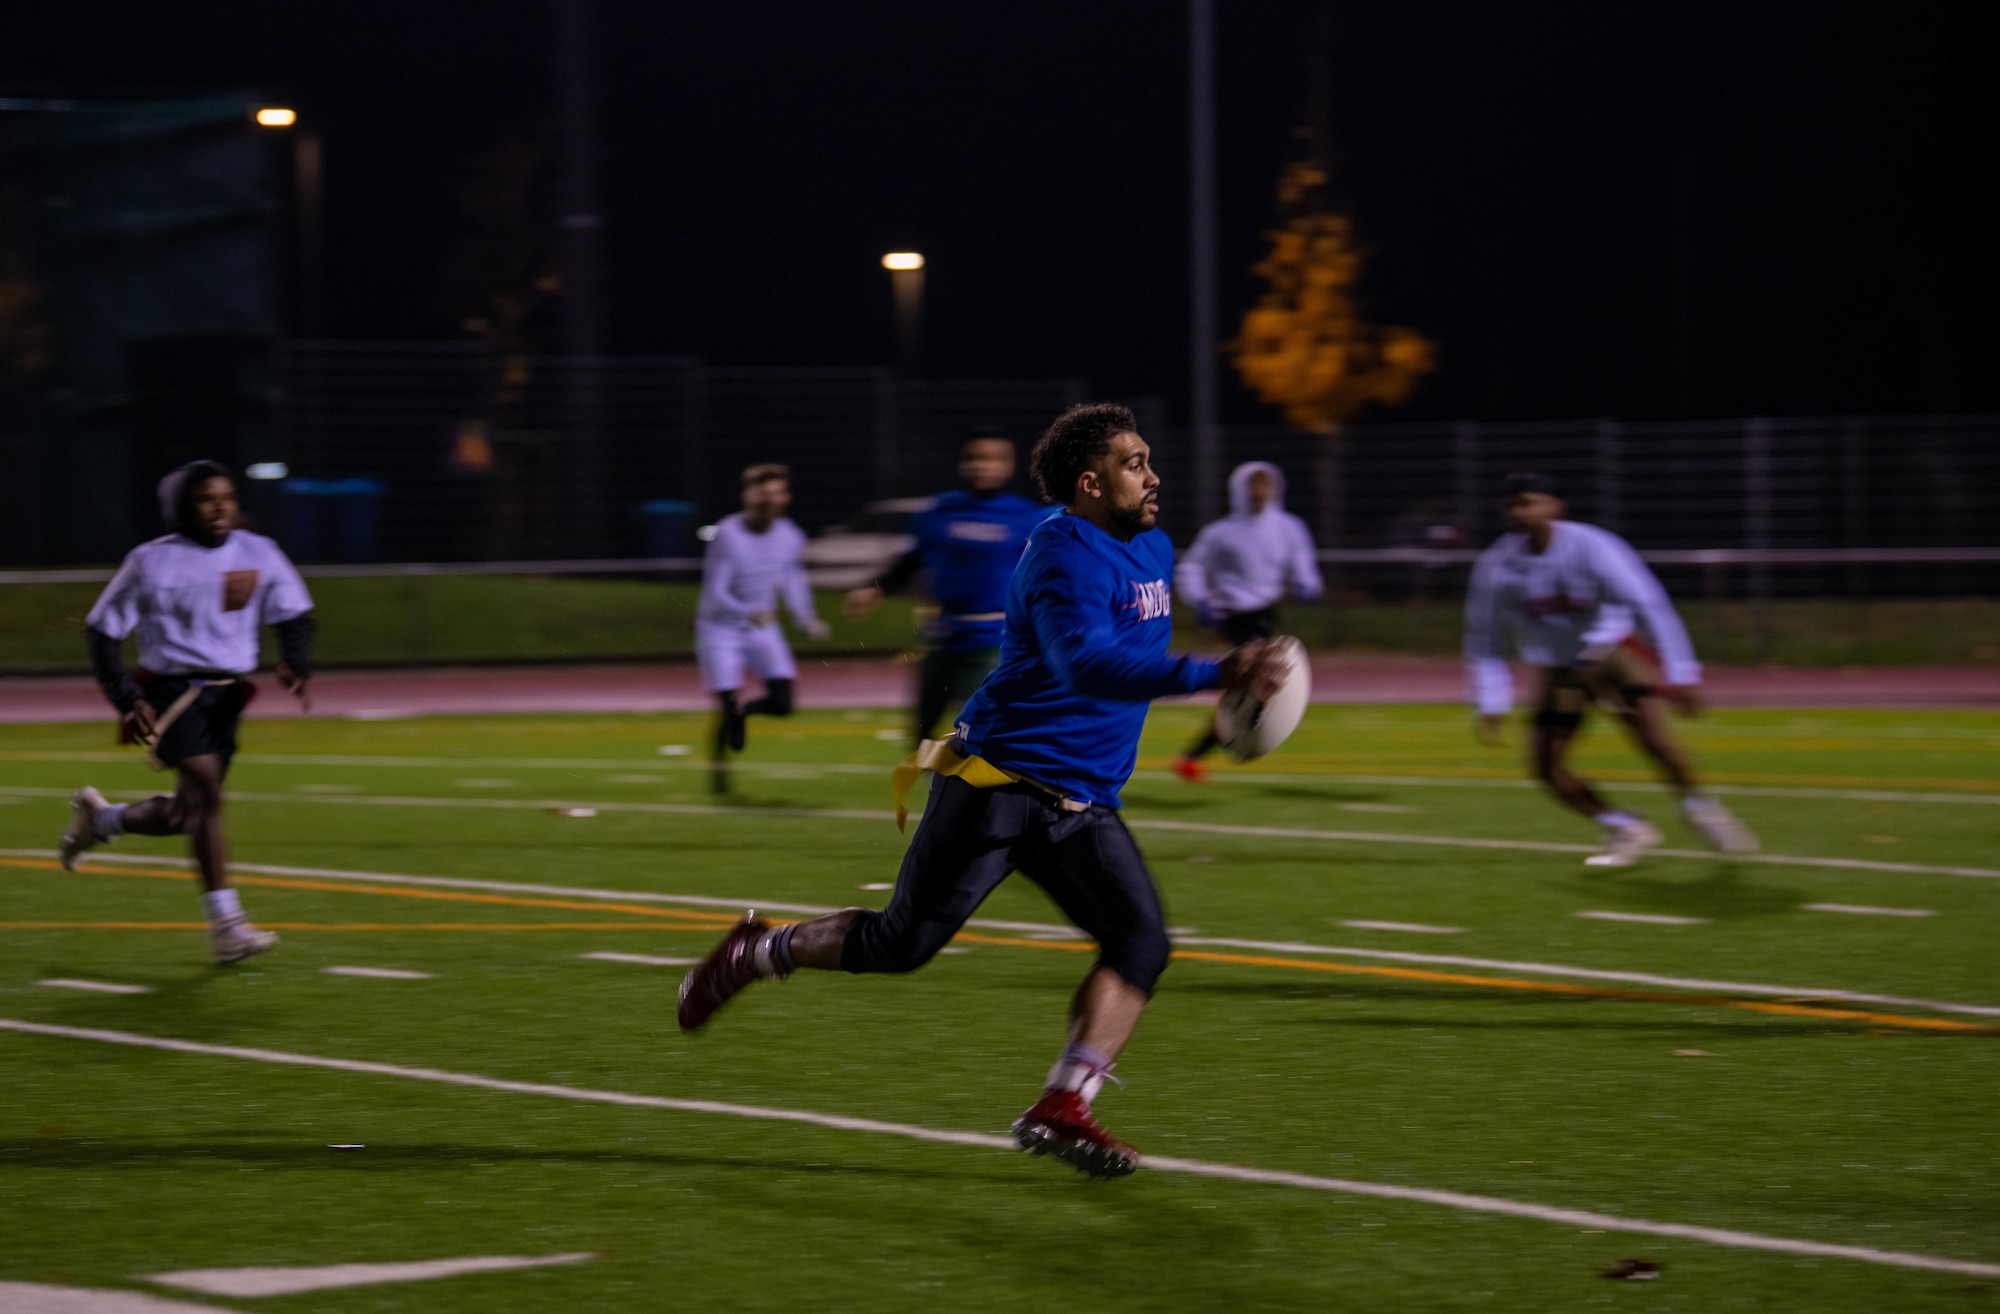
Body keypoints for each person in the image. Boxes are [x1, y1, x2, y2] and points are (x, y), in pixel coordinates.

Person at [676, 403, 1284, 1179]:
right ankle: (756, 950)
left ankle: (1064, 1102)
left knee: (1142, 944)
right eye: (1136, 463)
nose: (1154, 475)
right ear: (1091, 483)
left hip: (1083, 801)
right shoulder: (1060, 555)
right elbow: (1084, 667)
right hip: (998, 786)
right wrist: (1212, 672)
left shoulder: (1154, 545)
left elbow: (1126, 658)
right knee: (900, 945)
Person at [59, 460, 316, 964]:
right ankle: (228, 925)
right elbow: (103, 631)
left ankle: (103, 820)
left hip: (227, 695)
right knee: (204, 794)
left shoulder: (258, 552)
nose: (220, 507)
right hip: (170, 691)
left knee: (187, 812)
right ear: (183, 508)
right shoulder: (151, 562)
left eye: (227, 496)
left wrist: (297, 660)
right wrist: (126, 698)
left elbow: (294, 612)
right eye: (206, 498)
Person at [1464, 472, 1757, 867]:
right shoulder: (1499, 566)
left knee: (1655, 742)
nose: (1519, 512)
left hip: (1611, 653)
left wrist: (1682, 672)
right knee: (1547, 769)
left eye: (1529, 502)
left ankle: (1700, 807)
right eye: (1512, 505)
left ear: (1555, 507)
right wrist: (1491, 699)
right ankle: (1625, 825)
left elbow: (1649, 605)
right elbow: (1485, 638)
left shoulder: (1592, 546)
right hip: (1560, 669)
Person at [844, 429, 1052, 747]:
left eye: (992, 459)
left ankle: (995, 792)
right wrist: (875, 588)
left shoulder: (1027, 517)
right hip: (942, 638)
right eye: (974, 458)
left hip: (992, 641)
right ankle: (939, 795)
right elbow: (912, 559)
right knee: (922, 734)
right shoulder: (939, 510)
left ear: (1009, 467)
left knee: (978, 727)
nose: (982, 466)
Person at [1170, 460, 1322, 779]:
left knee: (1253, 685)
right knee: (1253, 681)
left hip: (1266, 614)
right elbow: (1191, 568)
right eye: (1252, 487)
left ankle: (1202, 751)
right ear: (1239, 491)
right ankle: (1223, 743)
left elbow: (1302, 564)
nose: (1259, 494)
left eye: (1264, 486)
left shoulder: (1287, 528)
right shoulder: (1220, 533)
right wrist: (1200, 599)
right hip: (1233, 616)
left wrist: (1308, 583)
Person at [698, 463, 829, 794]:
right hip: (721, 627)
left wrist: (805, 616)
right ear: (747, 497)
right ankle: (719, 773)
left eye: (775, 494)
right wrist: (747, 611)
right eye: (762, 494)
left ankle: (746, 708)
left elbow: (792, 582)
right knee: (726, 707)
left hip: (762, 626)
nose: (769, 501)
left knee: (783, 703)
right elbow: (717, 590)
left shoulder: (789, 535)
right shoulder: (728, 533)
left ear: (785, 498)